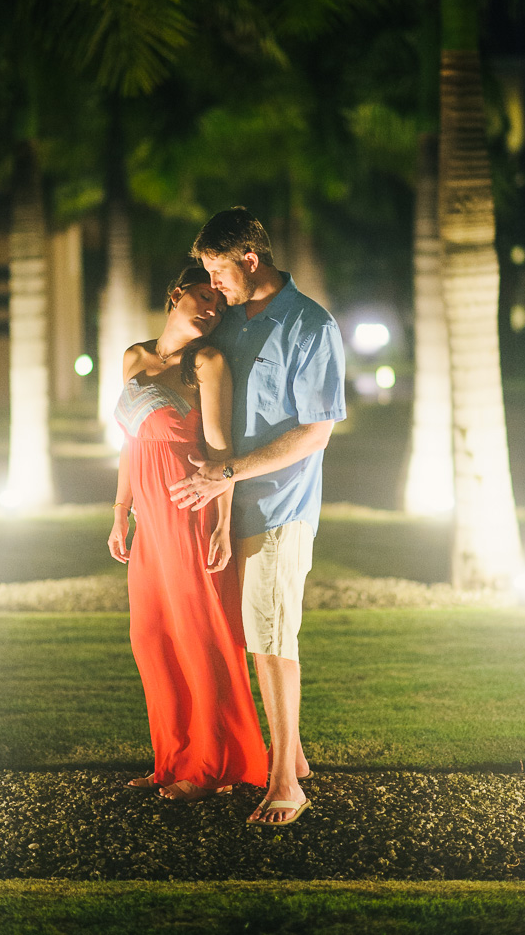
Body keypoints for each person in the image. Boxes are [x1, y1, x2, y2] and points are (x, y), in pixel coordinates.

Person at [170, 207, 346, 826]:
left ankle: (284, 785)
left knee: (270, 638)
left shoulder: (311, 326)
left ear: (250, 259)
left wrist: (229, 473)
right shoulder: (230, 326)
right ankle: (293, 757)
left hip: (281, 507)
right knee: (249, 636)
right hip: (227, 510)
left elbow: (315, 433)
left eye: (219, 271)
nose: (213, 285)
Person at [108, 265, 268, 802]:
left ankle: (212, 765)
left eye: (218, 305)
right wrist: (119, 511)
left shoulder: (209, 362)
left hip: (190, 509)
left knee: (200, 638)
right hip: (149, 521)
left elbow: (221, 449)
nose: (211, 309)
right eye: (203, 297)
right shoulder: (134, 357)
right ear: (176, 294)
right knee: (151, 640)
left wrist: (223, 523)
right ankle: (170, 759)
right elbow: (131, 443)